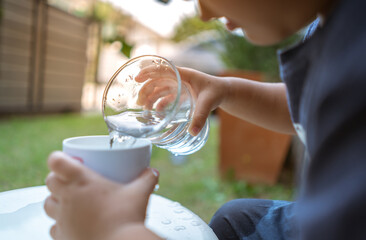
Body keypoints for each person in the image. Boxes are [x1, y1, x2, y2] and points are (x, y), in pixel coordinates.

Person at [44, 0, 366, 239]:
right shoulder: (336, 23)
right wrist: (226, 90)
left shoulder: (355, 62)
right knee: (234, 219)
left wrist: (114, 231)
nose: (204, 12)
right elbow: (305, 109)